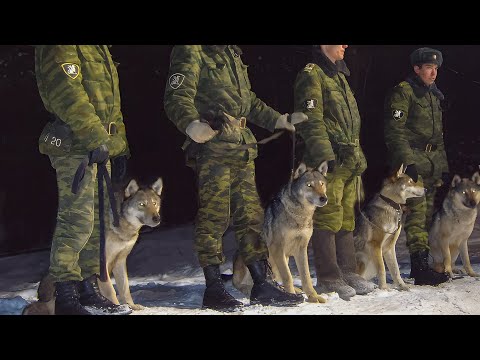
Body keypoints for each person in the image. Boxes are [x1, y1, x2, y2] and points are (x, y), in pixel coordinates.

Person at [164, 45, 306, 311]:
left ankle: (262, 283)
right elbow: (176, 97)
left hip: (241, 148)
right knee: (214, 218)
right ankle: (214, 288)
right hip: (213, 148)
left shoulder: (232, 54)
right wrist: (191, 124)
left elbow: (248, 101)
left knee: (251, 217)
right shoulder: (192, 50)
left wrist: (278, 119)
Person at [35, 45, 132, 315]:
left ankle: (87, 289)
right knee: (76, 221)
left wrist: (119, 147)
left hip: (100, 147)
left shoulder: (98, 48)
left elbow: (111, 104)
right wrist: (94, 137)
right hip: (77, 146)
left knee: (97, 223)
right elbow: (67, 92)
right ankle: (65, 295)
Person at [293, 45, 374, 301]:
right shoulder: (312, 74)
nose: (345, 45)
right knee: (328, 218)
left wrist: (358, 156)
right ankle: (328, 278)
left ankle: (348, 272)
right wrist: (324, 154)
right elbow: (311, 118)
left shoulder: (338, 75)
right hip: (330, 161)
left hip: (348, 160)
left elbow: (349, 124)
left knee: (346, 217)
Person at [384, 47, 449, 286]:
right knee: (417, 214)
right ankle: (420, 267)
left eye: (436, 69)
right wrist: (407, 162)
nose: (434, 73)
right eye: (429, 68)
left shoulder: (433, 95)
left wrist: (442, 166)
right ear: (417, 69)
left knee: (428, 215)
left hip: (431, 162)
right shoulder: (404, 92)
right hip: (411, 162)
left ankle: (423, 264)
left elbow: (438, 136)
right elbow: (394, 131)